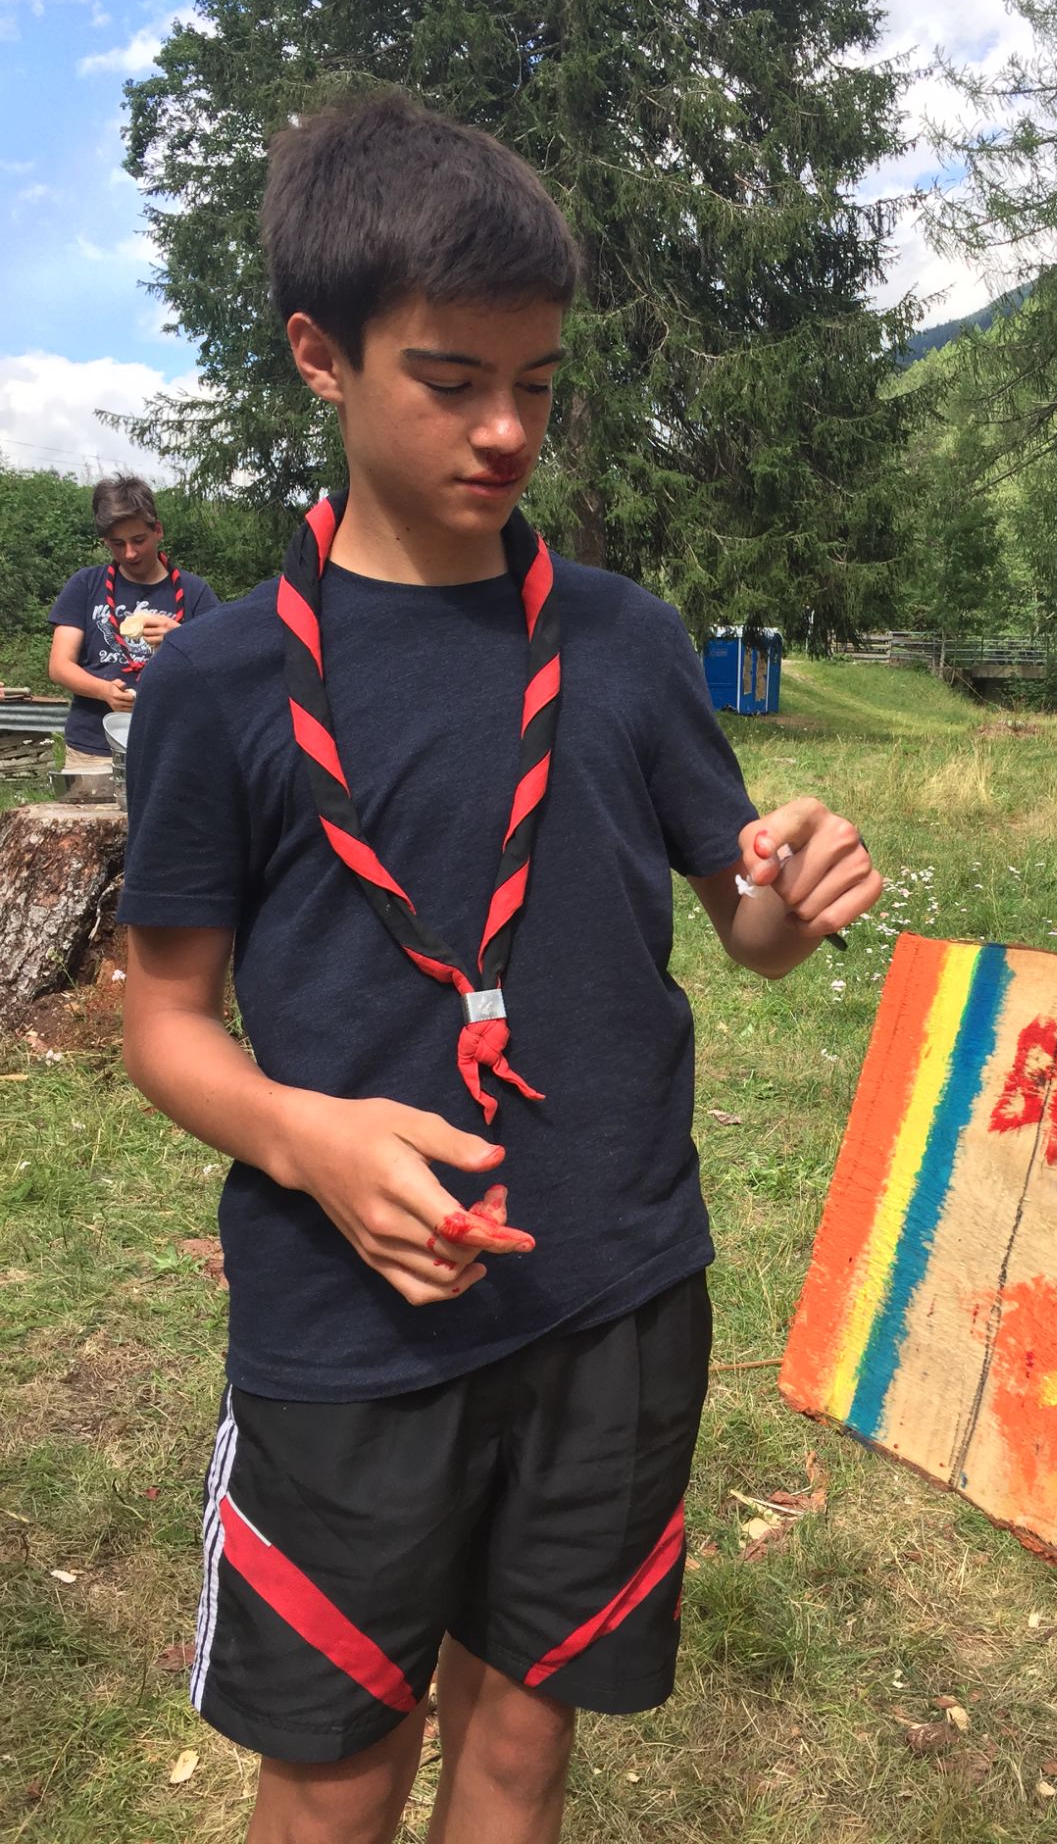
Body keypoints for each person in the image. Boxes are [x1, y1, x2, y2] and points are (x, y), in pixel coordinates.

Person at [117, 89, 881, 1844]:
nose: (507, 430)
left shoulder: (622, 640)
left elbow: (748, 928)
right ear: (320, 353)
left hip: (618, 1294)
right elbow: (164, 1022)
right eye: (452, 380)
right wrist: (313, 1140)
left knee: (523, 1748)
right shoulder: (219, 686)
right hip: (350, 1320)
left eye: (538, 383)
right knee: (335, 1778)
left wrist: (797, 887)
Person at [47, 475, 220, 768]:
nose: (129, 553)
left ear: (158, 530)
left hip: (171, 751)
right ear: (105, 541)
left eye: (139, 540)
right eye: (117, 544)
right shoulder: (86, 584)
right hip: (94, 749)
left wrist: (182, 639)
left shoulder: (194, 592)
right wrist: (102, 690)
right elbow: (59, 666)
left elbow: (221, 664)